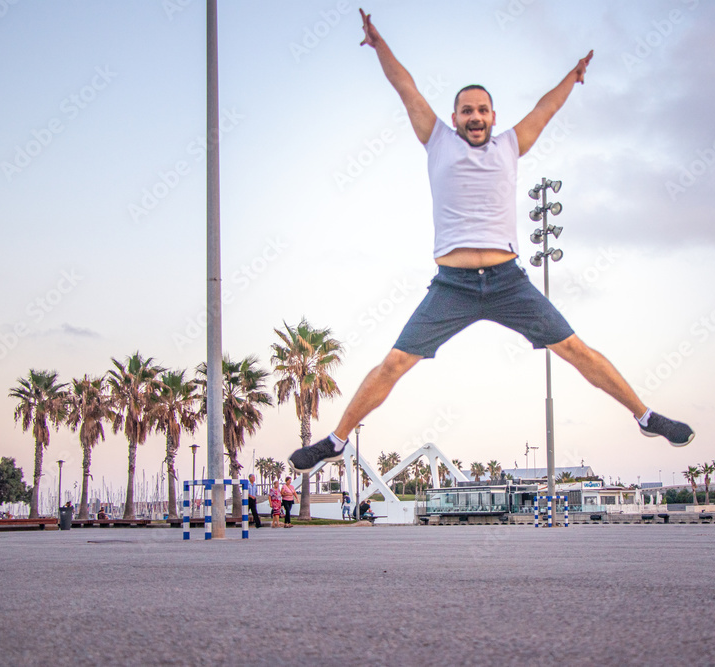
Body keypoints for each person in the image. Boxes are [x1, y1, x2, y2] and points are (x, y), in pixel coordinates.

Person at [289, 9, 694, 475]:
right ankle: (337, 441)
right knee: (393, 364)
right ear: (455, 116)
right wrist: (380, 46)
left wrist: (572, 76)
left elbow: (546, 108)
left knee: (575, 350)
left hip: (507, 281)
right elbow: (406, 88)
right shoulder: (436, 139)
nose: (475, 117)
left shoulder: (510, 144)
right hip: (452, 286)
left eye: (483, 110)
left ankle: (644, 416)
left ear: (493, 116)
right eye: (467, 110)